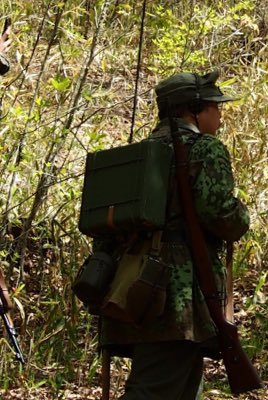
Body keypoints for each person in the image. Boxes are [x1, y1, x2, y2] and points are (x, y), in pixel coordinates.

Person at [98, 70, 250, 400]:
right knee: (153, 390)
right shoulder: (205, 149)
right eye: (215, 107)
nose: (220, 115)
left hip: (131, 288)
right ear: (193, 109)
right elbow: (220, 214)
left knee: (178, 388)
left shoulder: (136, 156)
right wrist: (242, 215)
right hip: (179, 297)